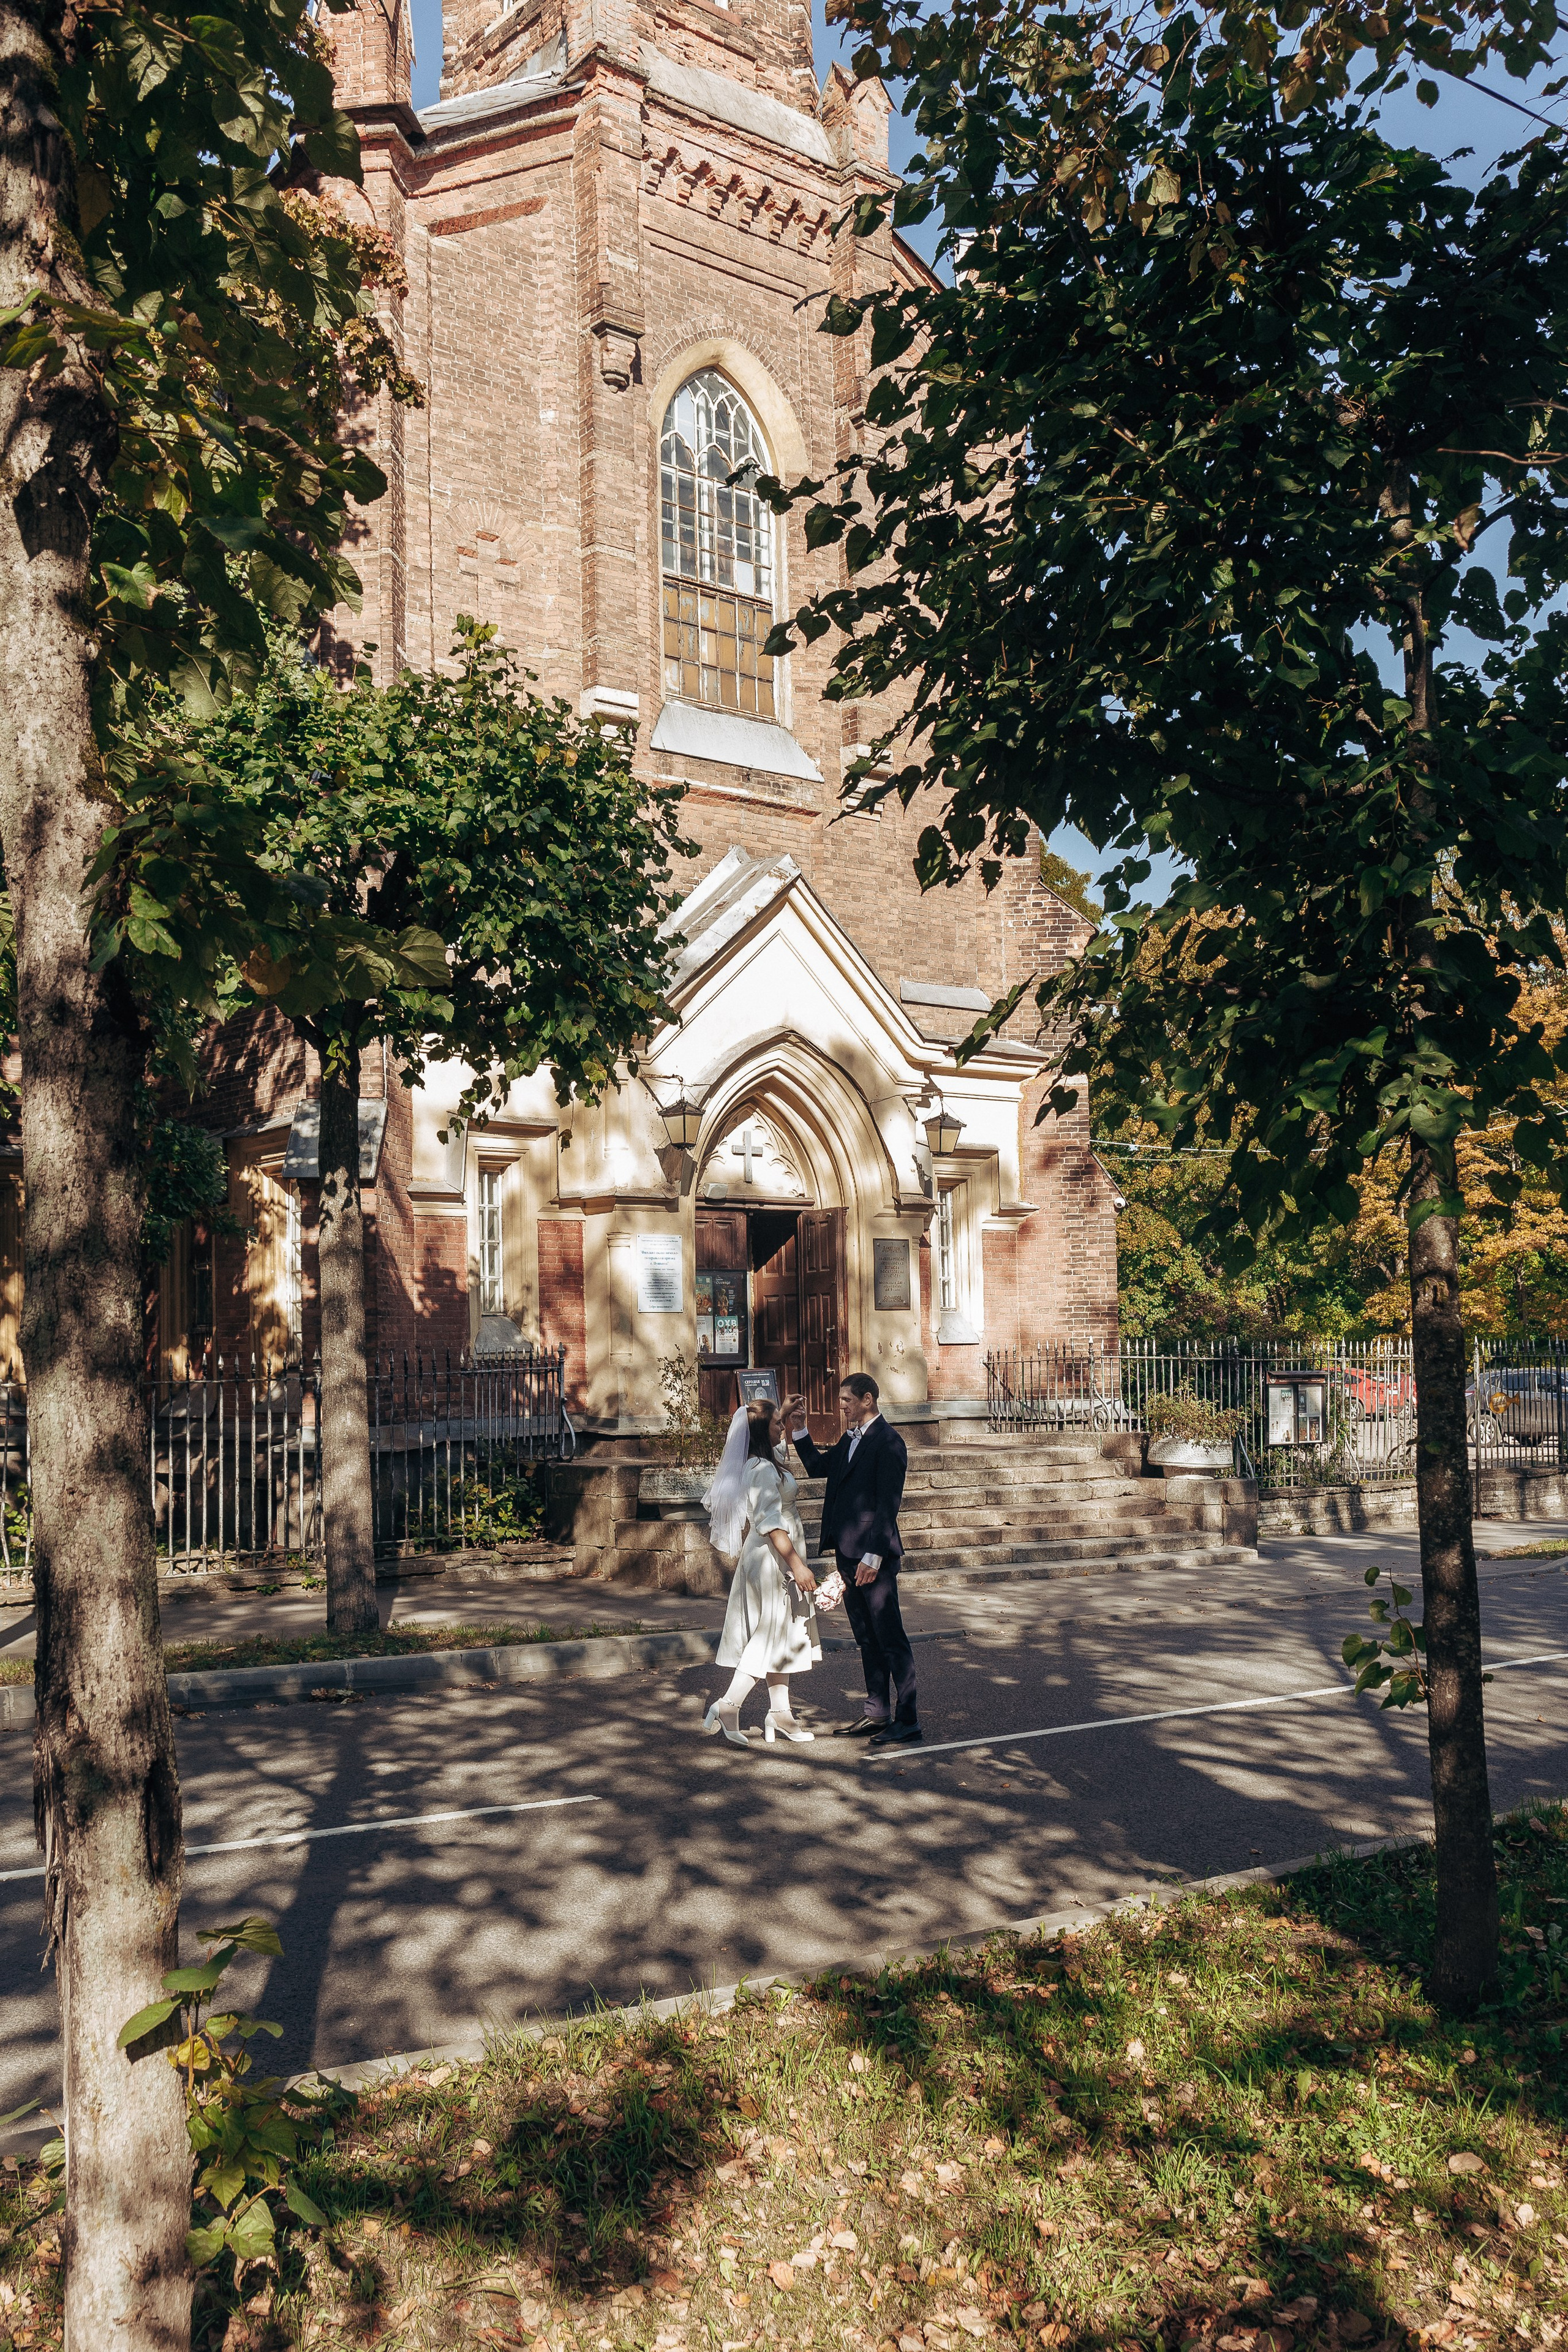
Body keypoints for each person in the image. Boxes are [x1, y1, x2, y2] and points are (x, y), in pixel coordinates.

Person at [782, 1373, 921, 1748]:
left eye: (847, 1400)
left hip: (874, 1559)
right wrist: (799, 1429)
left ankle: (908, 1719)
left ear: (868, 1400)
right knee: (866, 1637)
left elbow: (888, 1505)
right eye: (841, 1399)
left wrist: (873, 1557)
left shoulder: (889, 1442)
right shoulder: (851, 1437)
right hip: (848, 1554)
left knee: (890, 1637)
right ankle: (877, 1712)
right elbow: (818, 1468)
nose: (841, 1405)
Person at [700, 1399, 821, 1749]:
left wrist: (782, 1411)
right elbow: (772, 1524)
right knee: (770, 1634)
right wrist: (798, 1565)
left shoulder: (760, 1461)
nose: (782, 1428)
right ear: (760, 1431)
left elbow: (778, 1446)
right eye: (777, 1424)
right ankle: (728, 1705)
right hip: (773, 1558)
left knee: (780, 1633)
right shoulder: (763, 1469)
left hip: (766, 1555)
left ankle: (780, 1713)